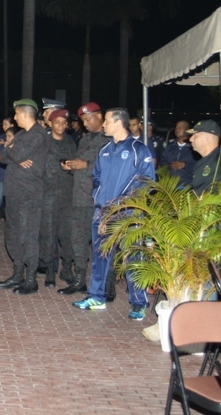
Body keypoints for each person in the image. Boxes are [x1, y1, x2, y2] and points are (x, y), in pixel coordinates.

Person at [73, 108, 155, 320]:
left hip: (129, 215)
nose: (103, 125)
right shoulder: (104, 150)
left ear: (118, 123)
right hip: (103, 213)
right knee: (100, 257)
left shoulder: (139, 150)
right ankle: (96, 297)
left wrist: (122, 204)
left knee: (132, 257)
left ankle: (138, 303)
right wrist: (98, 197)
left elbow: (147, 183)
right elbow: (96, 177)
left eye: (107, 121)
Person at [0, 99, 49, 295]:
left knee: (28, 236)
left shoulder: (38, 135)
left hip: (28, 194)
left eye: (17, 114)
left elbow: (14, 154)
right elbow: (4, 158)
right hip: (13, 193)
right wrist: (13, 153)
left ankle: (31, 279)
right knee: (13, 235)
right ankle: (18, 274)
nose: (15, 118)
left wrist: (11, 150)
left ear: (25, 114)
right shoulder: (20, 135)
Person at [58, 102, 107, 294]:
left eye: (87, 119)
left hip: (99, 200)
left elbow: (111, 167)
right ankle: (79, 279)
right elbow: (80, 167)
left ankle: (107, 284)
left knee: (102, 243)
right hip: (79, 198)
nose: (84, 124)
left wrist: (85, 165)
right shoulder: (85, 140)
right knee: (78, 240)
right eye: (82, 121)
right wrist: (71, 167)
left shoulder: (110, 139)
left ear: (99, 116)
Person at [39, 109, 76, 287]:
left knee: (67, 235)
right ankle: (50, 271)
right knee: (48, 235)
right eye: (57, 122)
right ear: (50, 124)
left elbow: (77, 166)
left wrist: (71, 168)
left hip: (67, 196)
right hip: (48, 196)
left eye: (63, 122)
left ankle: (66, 268)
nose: (61, 125)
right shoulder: (44, 143)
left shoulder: (70, 143)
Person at [188, 120, 221, 196]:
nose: (190, 139)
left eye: (195, 136)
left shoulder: (219, 160)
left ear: (207, 138)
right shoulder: (200, 163)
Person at [158, 120, 194, 187]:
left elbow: (198, 166)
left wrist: (184, 165)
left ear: (187, 130)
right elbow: (162, 163)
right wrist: (170, 166)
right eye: (176, 127)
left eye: (180, 127)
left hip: (187, 186)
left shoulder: (193, 147)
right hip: (170, 186)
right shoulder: (170, 146)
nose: (177, 129)